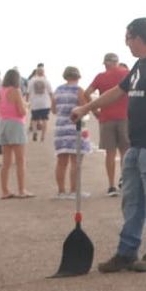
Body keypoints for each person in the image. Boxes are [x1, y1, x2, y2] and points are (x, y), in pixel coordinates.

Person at [75, 18, 146, 273]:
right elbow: (117, 91)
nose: (126, 44)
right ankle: (127, 251)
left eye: (128, 38)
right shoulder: (138, 67)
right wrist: (87, 107)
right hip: (137, 143)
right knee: (132, 199)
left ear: (138, 37)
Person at [86, 52, 131, 197]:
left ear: (106, 63)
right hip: (125, 116)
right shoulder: (126, 73)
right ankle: (125, 180)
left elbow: (87, 93)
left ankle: (111, 185)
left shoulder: (101, 77)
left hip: (106, 117)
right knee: (125, 151)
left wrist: (94, 110)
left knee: (110, 153)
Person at [52, 65, 91, 200]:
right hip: (76, 127)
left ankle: (61, 191)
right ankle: (74, 190)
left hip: (60, 127)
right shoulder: (79, 90)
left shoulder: (58, 90)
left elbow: (53, 109)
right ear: (78, 77)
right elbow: (85, 108)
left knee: (61, 161)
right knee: (76, 161)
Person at [0, 69, 31, 198]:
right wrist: (27, 107)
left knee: (6, 162)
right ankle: (22, 190)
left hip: (3, 124)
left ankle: (5, 190)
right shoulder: (16, 91)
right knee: (20, 160)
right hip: (16, 124)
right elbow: (21, 111)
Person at [27, 64, 54, 142]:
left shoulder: (31, 80)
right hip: (45, 103)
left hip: (35, 103)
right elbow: (51, 93)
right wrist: (53, 102)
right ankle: (42, 137)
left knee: (35, 119)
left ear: (36, 72)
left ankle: (35, 132)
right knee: (45, 120)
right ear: (43, 72)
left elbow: (28, 92)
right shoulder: (46, 80)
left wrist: (27, 102)